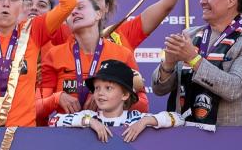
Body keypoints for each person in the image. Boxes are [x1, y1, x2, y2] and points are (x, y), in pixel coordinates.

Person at [152, 0, 242, 129]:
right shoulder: (189, 35)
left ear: (231, 0)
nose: (202, 1)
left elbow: (234, 88)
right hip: (184, 136)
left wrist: (193, 59)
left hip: (229, 138)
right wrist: (168, 65)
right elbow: (159, 90)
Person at [39, 0, 149, 124]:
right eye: (69, 11)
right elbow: (36, 110)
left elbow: (143, 105)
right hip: (66, 132)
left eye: (80, 7)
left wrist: (110, 99)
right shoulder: (54, 55)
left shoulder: (123, 54)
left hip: (110, 132)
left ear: (98, 14)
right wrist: (56, 99)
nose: (74, 12)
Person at [49, 59, 184, 141]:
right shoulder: (90, 116)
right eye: (97, 88)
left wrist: (146, 121)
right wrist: (89, 122)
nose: (100, 93)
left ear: (125, 95)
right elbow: (54, 121)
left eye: (108, 88)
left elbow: (179, 119)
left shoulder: (135, 118)